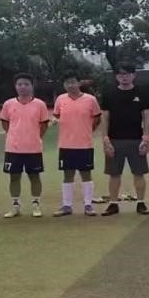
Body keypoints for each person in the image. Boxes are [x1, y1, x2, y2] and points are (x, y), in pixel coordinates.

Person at [100, 63, 149, 216]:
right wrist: (105, 139)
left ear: (134, 75)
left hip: (136, 139)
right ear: (116, 76)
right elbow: (105, 117)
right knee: (114, 174)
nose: (124, 77)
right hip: (114, 140)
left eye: (127, 73)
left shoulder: (142, 93)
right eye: (121, 74)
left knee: (139, 173)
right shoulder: (109, 94)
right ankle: (113, 204)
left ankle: (141, 203)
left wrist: (146, 137)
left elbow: (146, 117)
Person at [0, 73, 50, 218]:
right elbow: (5, 123)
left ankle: (36, 204)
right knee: (14, 177)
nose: (23, 87)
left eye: (26, 84)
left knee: (34, 176)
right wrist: (15, 136)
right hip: (13, 149)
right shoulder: (8, 104)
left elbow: (43, 125)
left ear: (32, 86)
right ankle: (15, 206)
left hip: (33, 148)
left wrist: (34, 137)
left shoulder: (40, 104)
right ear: (15, 86)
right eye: (20, 84)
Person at [53, 75, 102, 217]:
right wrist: (55, 120)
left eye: (73, 82)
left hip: (84, 144)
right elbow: (56, 116)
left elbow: (97, 118)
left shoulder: (90, 100)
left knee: (86, 174)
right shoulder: (60, 99)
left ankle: (88, 205)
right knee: (67, 175)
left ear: (79, 83)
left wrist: (87, 130)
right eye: (67, 83)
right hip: (66, 144)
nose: (70, 85)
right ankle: (67, 206)